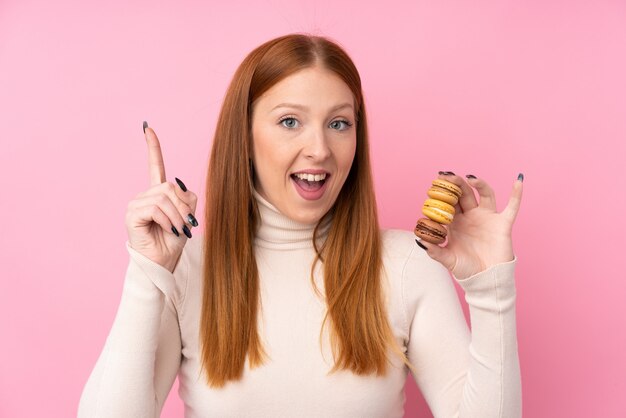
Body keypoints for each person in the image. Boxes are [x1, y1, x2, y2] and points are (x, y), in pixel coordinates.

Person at [78, 33, 523, 418]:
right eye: (290, 121)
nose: (319, 149)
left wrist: (491, 291)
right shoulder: (186, 270)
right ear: (245, 138)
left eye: (339, 123)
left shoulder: (408, 265)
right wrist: (147, 272)